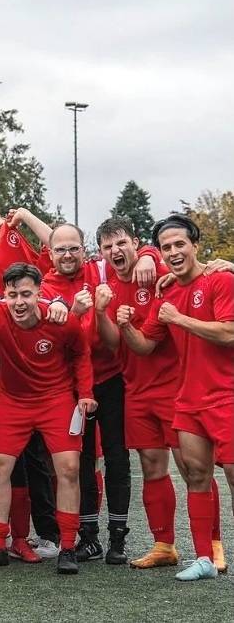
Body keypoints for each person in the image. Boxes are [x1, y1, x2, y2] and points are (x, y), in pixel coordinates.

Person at [0, 263, 96, 575]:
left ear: (39, 294)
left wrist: (84, 393)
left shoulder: (60, 318)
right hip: (13, 400)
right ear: (4, 295)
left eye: (26, 294)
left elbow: (82, 353)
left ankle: (68, 546)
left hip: (56, 398)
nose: (19, 301)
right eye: (12, 294)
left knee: (69, 467)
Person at [117, 214, 234, 582]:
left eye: (179, 244)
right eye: (166, 247)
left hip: (227, 396)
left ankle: (212, 550)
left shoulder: (221, 279)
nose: (173, 252)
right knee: (196, 475)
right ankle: (202, 558)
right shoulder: (166, 291)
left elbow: (229, 333)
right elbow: (146, 346)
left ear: (195, 245)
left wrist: (179, 319)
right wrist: (124, 325)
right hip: (188, 399)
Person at [39, 222, 159, 563]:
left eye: (73, 248)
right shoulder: (46, 287)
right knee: (81, 460)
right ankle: (88, 536)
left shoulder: (98, 269)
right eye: (59, 249)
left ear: (84, 250)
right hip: (71, 386)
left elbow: (130, 253)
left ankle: (117, 538)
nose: (67, 255)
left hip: (111, 378)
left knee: (118, 457)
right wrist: (73, 314)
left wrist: (149, 253)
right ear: (50, 253)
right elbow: (50, 341)